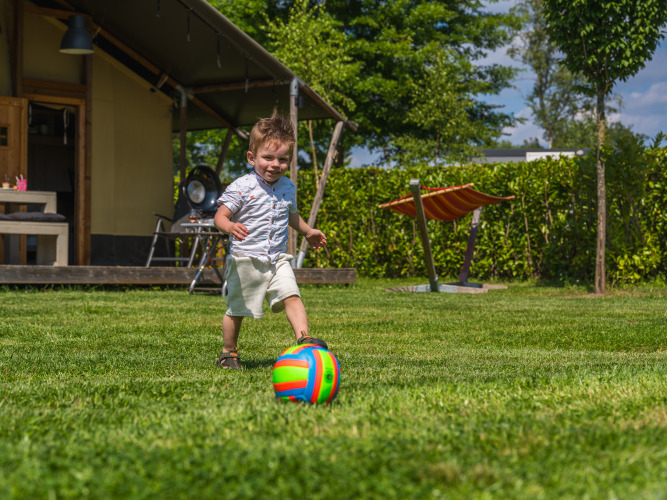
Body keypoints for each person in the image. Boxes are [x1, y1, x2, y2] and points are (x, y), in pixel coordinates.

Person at [213, 110, 328, 370]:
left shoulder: (287, 187)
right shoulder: (242, 186)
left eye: (283, 159)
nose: (275, 164)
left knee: (292, 295)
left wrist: (307, 231)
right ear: (252, 157)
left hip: (277, 259)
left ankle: (304, 339)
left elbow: (291, 215)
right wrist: (229, 226)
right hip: (246, 260)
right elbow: (219, 216)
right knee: (237, 310)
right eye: (268, 157)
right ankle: (228, 352)